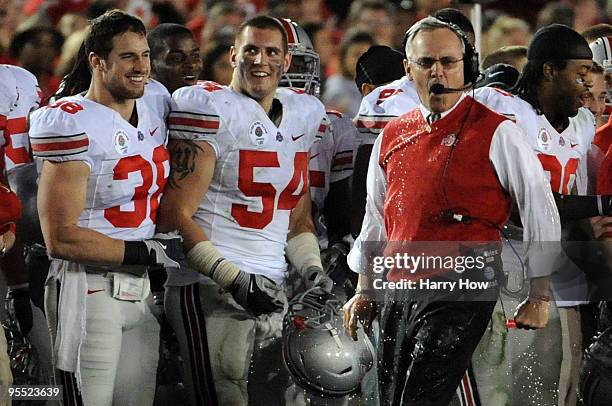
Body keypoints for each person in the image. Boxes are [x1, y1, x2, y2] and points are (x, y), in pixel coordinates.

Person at [343, 16, 561, 406]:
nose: (438, 72)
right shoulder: (391, 135)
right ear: (408, 70)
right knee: (389, 397)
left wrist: (540, 294)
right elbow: (376, 218)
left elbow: (539, 210)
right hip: (399, 284)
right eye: (426, 63)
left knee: (422, 397)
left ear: (468, 66)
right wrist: (364, 288)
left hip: (463, 282)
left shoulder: (499, 131)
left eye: (448, 61)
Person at [158, 15, 332, 405]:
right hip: (209, 286)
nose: (261, 60)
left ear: (286, 62)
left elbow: (296, 216)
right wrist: (235, 279)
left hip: (272, 287)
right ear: (234, 55)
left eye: (272, 52)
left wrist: (312, 271)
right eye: (251, 49)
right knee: (225, 396)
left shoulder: (302, 114)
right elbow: (174, 215)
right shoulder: (209, 107)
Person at [29, 10, 183, 405]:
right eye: (128, 57)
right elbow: (60, 238)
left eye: (145, 55)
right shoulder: (71, 122)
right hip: (88, 287)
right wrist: (145, 250)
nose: (142, 67)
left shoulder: (154, 102)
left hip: (142, 291)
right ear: (97, 61)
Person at [147, 23, 202, 95]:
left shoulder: (210, 96)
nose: (192, 64)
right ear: (151, 65)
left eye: (195, 56)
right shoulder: (137, 103)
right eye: (177, 58)